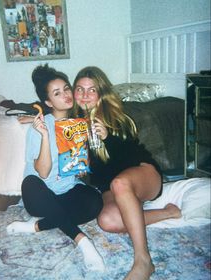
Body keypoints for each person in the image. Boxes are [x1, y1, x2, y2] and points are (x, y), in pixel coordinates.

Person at [72, 66, 181, 280]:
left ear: (101, 94)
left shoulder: (116, 118)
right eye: (79, 89)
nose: (85, 95)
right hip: (109, 187)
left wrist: (108, 138)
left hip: (143, 175)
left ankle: (143, 261)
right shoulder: (72, 126)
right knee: (107, 221)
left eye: (91, 90)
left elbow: (130, 156)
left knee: (120, 183)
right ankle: (168, 213)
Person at [6, 64, 105, 272]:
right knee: (31, 183)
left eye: (67, 89)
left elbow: (81, 168)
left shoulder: (78, 124)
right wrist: (44, 136)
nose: (66, 95)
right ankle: (82, 241)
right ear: (49, 102)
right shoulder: (39, 127)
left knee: (95, 202)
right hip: (40, 194)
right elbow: (42, 172)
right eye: (57, 93)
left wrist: (86, 151)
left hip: (67, 190)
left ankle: (36, 226)